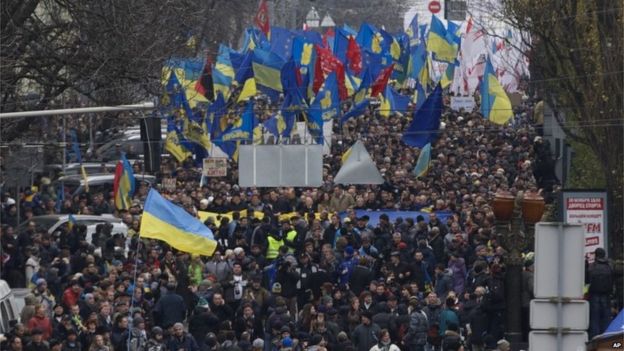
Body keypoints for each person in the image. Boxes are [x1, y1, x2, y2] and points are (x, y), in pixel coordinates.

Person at [587, 247, 614, 338]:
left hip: (594, 295)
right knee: (606, 318)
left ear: (596, 255)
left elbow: (587, 280)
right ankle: (606, 338)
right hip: (606, 296)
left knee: (594, 318)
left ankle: (595, 338)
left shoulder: (592, 267)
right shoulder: (609, 266)